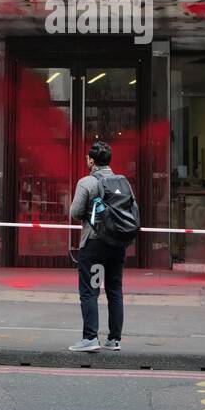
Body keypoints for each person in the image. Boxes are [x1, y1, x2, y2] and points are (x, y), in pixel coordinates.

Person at [67, 140, 126, 353]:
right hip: (118, 244)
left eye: (87, 158)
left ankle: (90, 337)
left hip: (94, 243)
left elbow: (74, 212)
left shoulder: (87, 182)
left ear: (91, 160)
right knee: (115, 289)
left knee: (90, 291)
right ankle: (114, 339)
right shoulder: (122, 182)